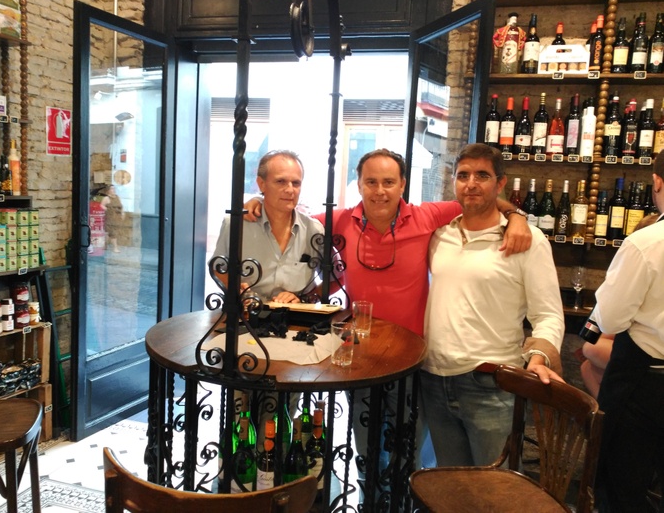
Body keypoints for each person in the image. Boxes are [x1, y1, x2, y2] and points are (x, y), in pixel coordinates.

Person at [245, 148, 533, 472]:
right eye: (371, 182)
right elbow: (290, 215)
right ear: (359, 185)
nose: (379, 191)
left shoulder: (427, 216)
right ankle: (368, 495)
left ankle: (403, 496)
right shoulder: (339, 221)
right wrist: (257, 200)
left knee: (407, 453)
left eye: (388, 182)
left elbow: (480, 200)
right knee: (365, 449)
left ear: (402, 185)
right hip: (360, 357)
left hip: (411, 360)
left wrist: (517, 217)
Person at [420, 143, 564, 467]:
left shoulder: (527, 241)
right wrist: (516, 213)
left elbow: (548, 314)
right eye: (463, 175)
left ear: (500, 184)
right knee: (450, 485)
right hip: (433, 379)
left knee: (496, 488)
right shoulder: (438, 234)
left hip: (491, 385)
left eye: (482, 175)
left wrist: (539, 357)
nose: (471, 183)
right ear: (453, 182)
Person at [591, 154, 664, 513]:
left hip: (645, 382)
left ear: (657, 182)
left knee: (622, 490)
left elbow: (610, 320)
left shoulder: (646, 243)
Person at [213, 150, 324, 303]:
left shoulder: (314, 231)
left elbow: (335, 278)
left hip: (296, 315)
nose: (290, 190)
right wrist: (236, 288)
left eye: (296, 183)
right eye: (281, 181)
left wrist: (304, 299)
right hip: (246, 314)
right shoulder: (237, 225)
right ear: (261, 184)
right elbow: (218, 268)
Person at [579, 213, 659, 399]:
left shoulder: (642, 249)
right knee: (588, 367)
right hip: (644, 365)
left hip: (646, 366)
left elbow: (596, 339)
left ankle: (605, 411)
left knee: (590, 357)